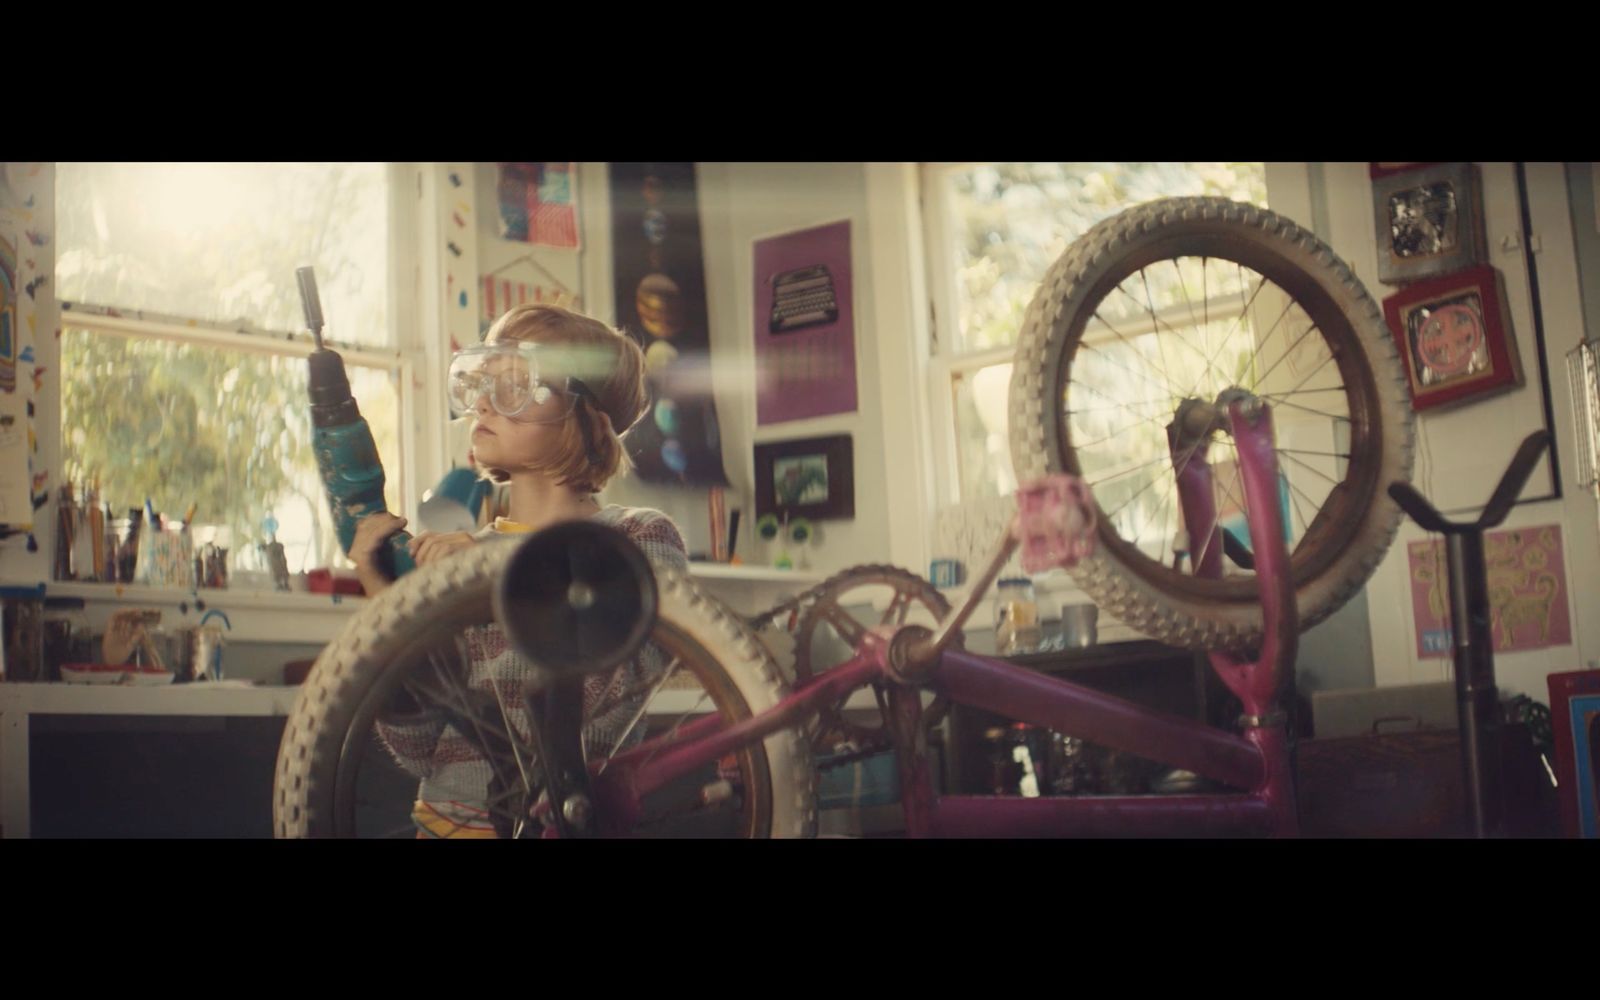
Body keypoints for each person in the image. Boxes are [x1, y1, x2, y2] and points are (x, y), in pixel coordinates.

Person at [351, 304, 687, 838]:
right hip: (446, 825)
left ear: (584, 413)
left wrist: (490, 568)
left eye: (513, 385)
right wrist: (388, 610)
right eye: (480, 383)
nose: (482, 403)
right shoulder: (461, 559)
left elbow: (611, 702)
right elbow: (419, 751)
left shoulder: (639, 540)